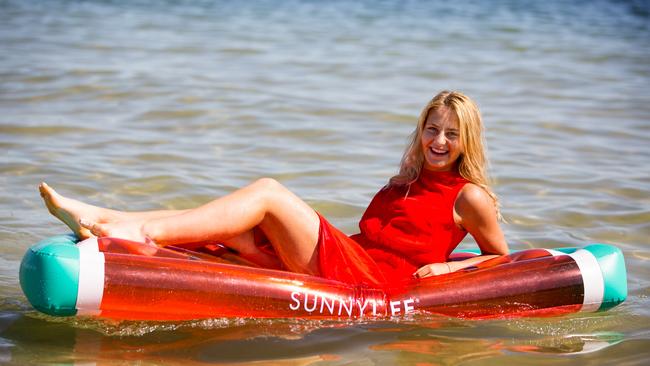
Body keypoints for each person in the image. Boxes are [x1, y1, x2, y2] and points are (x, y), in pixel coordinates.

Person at [39, 90, 508, 287]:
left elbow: (502, 262)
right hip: (352, 256)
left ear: (467, 139)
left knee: (267, 193)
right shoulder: (401, 183)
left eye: (451, 133)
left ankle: (137, 230)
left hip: (373, 283)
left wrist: (446, 273)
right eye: (432, 129)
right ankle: (112, 222)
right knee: (238, 237)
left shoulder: (469, 196)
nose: (438, 141)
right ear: (420, 130)